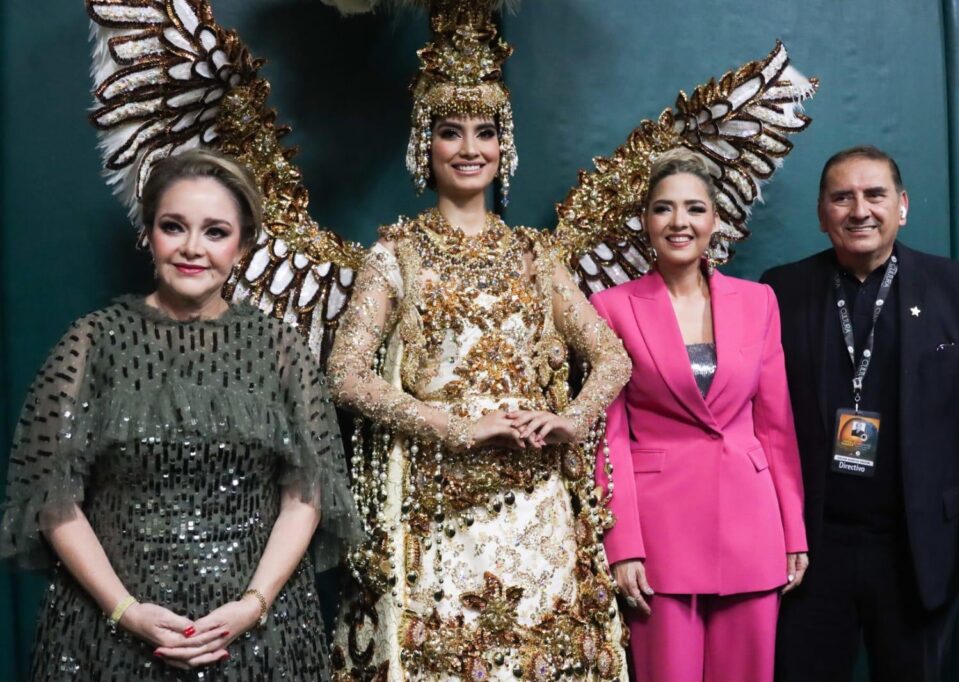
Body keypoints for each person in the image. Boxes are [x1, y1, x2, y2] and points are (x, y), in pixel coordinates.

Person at [326, 3, 631, 680]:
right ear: (423, 144)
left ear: (505, 143)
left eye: (485, 131)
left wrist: (569, 420)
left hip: (537, 503)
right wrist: (455, 426)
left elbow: (612, 356)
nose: (470, 148)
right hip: (435, 501)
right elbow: (345, 374)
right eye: (450, 132)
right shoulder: (396, 256)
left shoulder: (537, 256)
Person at [0, 149, 359, 680]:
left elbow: (305, 496)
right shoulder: (90, 344)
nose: (193, 248)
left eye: (215, 232)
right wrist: (126, 611)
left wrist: (253, 605)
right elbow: (53, 501)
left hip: (260, 637)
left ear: (244, 244)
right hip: (108, 634)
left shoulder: (281, 350)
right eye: (174, 227)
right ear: (148, 234)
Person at [762, 145, 959, 681]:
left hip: (919, 545)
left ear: (901, 206)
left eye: (874, 195)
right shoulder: (780, 290)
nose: (860, 210)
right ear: (821, 213)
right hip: (810, 547)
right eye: (842, 197)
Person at [589, 148, 808, 682]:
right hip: (660, 536)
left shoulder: (759, 302)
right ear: (645, 222)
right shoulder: (611, 307)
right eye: (664, 209)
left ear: (716, 219)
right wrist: (623, 545)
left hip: (752, 528)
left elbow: (776, 429)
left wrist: (793, 531)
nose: (679, 222)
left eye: (694, 208)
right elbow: (608, 437)